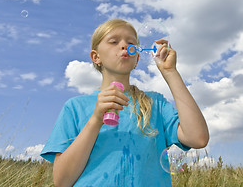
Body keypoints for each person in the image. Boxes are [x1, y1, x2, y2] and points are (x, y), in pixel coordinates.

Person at [40, 19, 209, 187]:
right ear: (96, 57)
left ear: (136, 59)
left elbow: (198, 138)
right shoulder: (75, 107)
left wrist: (170, 72)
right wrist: (95, 120)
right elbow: (61, 181)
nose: (123, 45)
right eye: (114, 41)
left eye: (131, 42)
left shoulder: (155, 103)